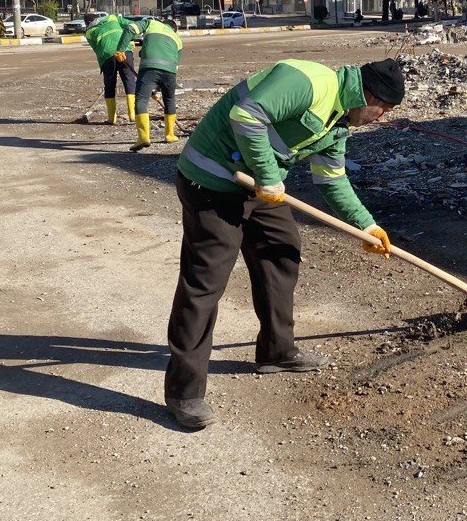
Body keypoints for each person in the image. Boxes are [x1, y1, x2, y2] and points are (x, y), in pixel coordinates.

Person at [164, 58, 406, 429]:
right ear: (369, 95)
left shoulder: (339, 120)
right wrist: (267, 175)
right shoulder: (309, 82)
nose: (382, 117)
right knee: (205, 282)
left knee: (281, 251)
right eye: (383, 109)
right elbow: (246, 116)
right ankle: (185, 393)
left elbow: (331, 179)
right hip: (212, 180)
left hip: (260, 186)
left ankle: (276, 351)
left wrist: (366, 225)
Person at [123, 16, 184, 152]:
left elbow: (129, 28)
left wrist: (120, 49)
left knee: (141, 100)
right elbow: (175, 64)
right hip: (170, 73)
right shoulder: (177, 39)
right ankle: (170, 135)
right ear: (174, 29)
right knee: (169, 99)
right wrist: (156, 90)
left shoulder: (152, 24)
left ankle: (143, 137)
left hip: (149, 69)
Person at [84, 12, 137, 125]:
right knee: (130, 81)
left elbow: (97, 49)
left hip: (106, 57)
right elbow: (132, 26)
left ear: (87, 23)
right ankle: (132, 115)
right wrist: (130, 41)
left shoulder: (88, 32)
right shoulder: (113, 17)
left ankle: (111, 118)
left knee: (109, 85)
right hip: (124, 51)